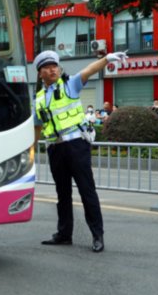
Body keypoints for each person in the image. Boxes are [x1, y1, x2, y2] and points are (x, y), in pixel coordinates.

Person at [33, 49, 126, 253]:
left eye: (54, 66)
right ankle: (64, 234)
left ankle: (97, 235)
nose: (52, 70)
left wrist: (106, 59)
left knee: (87, 190)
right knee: (62, 193)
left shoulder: (69, 84)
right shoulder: (38, 98)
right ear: (40, 73)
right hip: (55, 149)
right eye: (47, 68)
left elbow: (88, 71)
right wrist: (31, 150)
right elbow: (38, 127)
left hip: (76, 145)